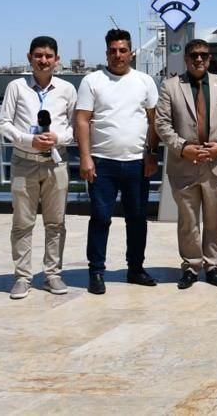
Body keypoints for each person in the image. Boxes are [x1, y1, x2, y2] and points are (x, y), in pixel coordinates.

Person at [76, 28, 160, 295]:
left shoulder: (145, 81)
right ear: (106, 53)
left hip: (137, 163)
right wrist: (85, 157)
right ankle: (96, 272)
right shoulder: (92, 81)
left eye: (123, 50)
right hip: (102, 163)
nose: (118, 55)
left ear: (131, 53)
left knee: (137, 219)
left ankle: (135, 269)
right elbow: (82, 120)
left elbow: (153, 120)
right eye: (113, 50)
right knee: (100, 218)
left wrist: (151, 153)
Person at [0, 36, 77, 299]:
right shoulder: (16, 87)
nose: (43, 60)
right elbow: (3, 124)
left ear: (57, 59)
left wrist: (58, 137)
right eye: (38, 55)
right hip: (24, 162)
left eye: (48, 56)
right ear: (29, 57)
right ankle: (22, 277)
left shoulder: (67, 89)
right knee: (22, 223)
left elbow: (75, 128)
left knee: (56, 223)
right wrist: (28, 140)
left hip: (56, 162)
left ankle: (53, 274)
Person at [155, 38, 217, 290]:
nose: (198, 59)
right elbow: (162, 123)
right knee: (188, 221)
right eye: (193, 55)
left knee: (215, 221)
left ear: (210, 58)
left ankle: (213, 266)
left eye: (203, 55)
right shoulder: (170, 86)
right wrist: (183, 148)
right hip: (184, 164)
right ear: (186, 59)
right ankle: (191, 266)